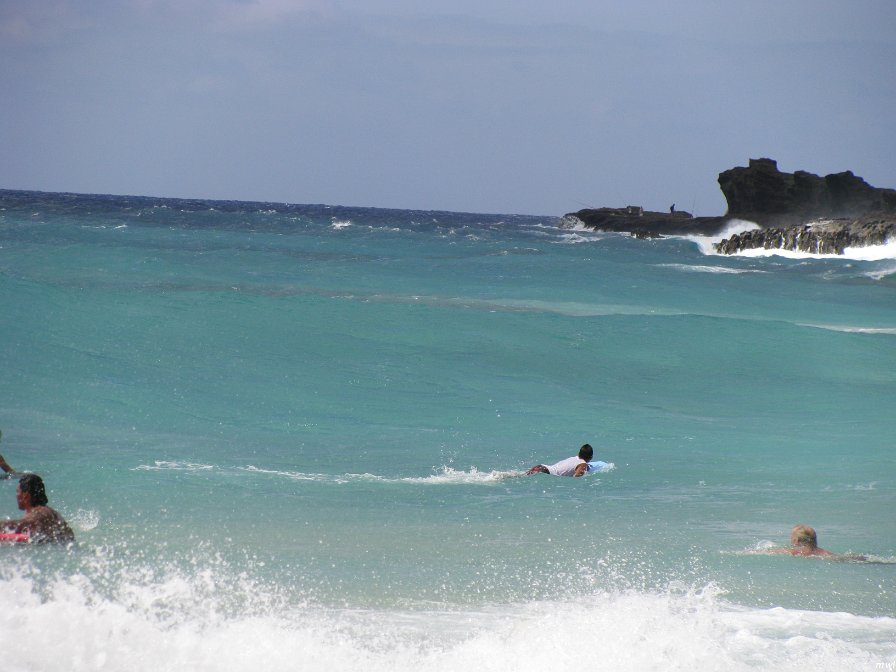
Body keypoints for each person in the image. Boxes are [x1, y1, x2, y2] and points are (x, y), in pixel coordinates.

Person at [1, 473, 75, 543]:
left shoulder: (40, 512)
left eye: (18, 492)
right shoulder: (47, 510)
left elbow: (24, 523)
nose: (16, 496)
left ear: (25, 495)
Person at [527, 444, 593, 477]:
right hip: (545, 472)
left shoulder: (574, 458)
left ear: (579, 453)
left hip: (541, 467)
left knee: (520, 476)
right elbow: (576, 477)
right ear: (591, 457)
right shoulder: (583, 464)